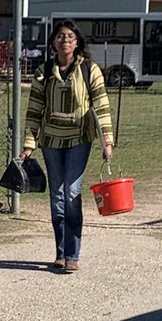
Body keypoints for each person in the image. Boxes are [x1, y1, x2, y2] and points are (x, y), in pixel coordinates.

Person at [20, 19, 114, 273]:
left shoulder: (89, 69)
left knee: (71, 193)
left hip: (79, 139)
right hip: (51, 140)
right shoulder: (44, 71)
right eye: (61, 36)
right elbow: (34, 110)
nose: (65, 40)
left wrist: (107, 140)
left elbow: (101, 106)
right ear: (53, 42)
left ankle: (73, 253)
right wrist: (29, 143)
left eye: (70, 36)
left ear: (77, 42)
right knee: (57, 197)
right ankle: (60, 252)